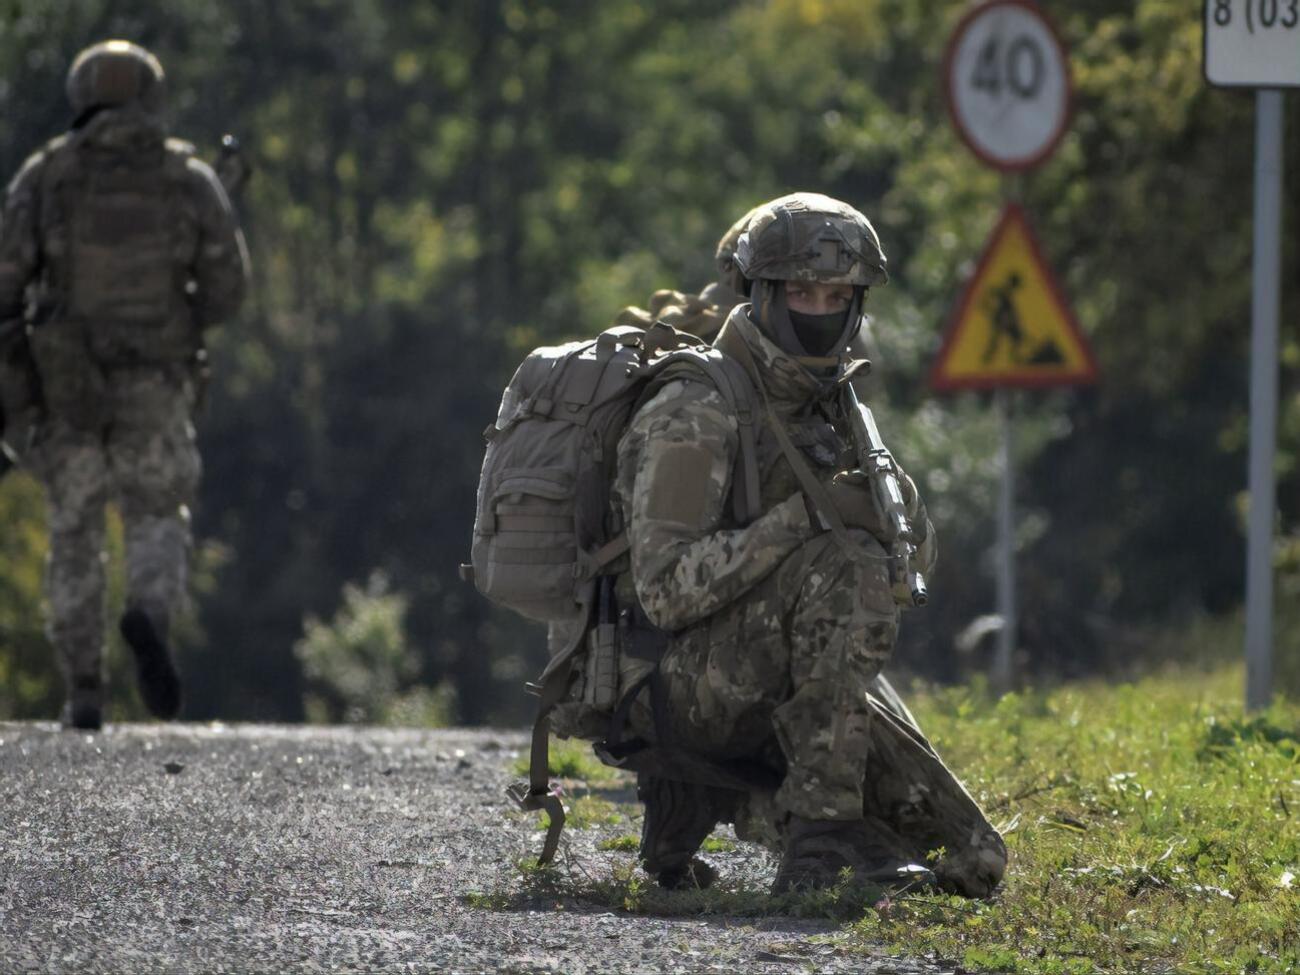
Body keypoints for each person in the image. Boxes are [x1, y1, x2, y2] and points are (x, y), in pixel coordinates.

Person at [610, 192, 1006, 896]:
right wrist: (809, 518)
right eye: (799, 290)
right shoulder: (697, 405)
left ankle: (760, 810)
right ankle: (818, 844)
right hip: (671, 683)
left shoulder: (834, 402)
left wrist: (894, 509)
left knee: (972, 857)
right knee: (843, 563)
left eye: (835, 294)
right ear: (761, 293)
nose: (817, 310)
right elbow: (664, 589)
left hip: (778, 671)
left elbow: (912, 564)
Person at [0, 40, 249, 730]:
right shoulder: (187, 177)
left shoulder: (45, 176)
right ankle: (148, 611)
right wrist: (183, 314)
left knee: (74, 529)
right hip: (158, 380)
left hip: (65, 384)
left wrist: (19, 380)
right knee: (155, 512)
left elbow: (5, 281)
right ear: (150, 95)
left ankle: (83, 688)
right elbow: (230, 288)